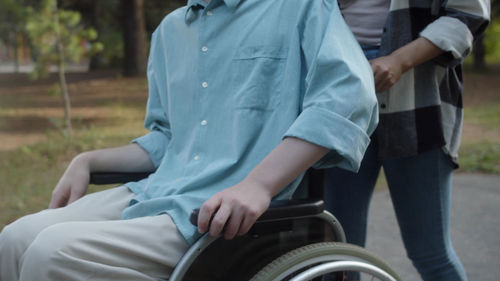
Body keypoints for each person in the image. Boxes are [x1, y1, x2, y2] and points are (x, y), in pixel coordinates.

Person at [0, 0, 378, 280]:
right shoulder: (169, 31)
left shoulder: (296, 9)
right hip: (158, 190)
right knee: (14, 238)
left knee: (53, 254)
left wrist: (258, 185)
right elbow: (169, 139)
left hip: (220, 213)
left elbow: (349, 96)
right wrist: (86, 160)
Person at [325, 0, 490, 280]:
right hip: (336, 93)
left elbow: (469, 14)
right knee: (338, 256)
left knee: (431, 255)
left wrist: (399, 60)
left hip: (418, 99)